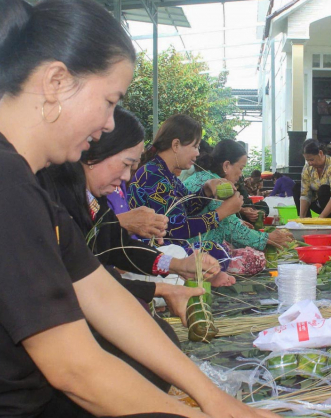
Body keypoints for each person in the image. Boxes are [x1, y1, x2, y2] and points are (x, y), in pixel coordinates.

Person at [0, 0, 297, 418]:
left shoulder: (10, 172)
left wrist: (213, 398)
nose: (106, 125)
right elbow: (73, 368)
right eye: (108, 101)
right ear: (57, 82)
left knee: (143, 360)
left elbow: (101, 293)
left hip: (1, 408)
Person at [37, 106, 212, 324]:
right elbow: (82, 280)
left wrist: (176, 265)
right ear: (94, 152)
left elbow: (118, 246)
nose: (126, 177)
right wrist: (160, 289)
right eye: (126, 164)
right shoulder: (55, 198)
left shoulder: (91, 196)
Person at [128, 114, 244, 288]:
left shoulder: (165, 173)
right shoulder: (154, 176)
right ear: (176, 145)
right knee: (217, 254)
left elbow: (186, 207)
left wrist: (206, 188)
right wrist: (222, 212)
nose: (198, 153)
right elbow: (178, 228)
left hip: (170, 245)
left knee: (218, 251)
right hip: (152, 250)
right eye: (195, 146)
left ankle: (201, 276)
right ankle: (200, 277)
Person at [184, 140, 293, 250]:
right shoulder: (217, 185)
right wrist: (267, 238)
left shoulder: (202, 177)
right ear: (226, 165)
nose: (241, 174)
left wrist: (238, 221)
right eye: (241, 168)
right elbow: (232, 229)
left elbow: (221, 220)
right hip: (194, 253)